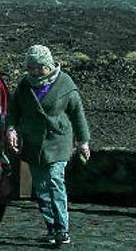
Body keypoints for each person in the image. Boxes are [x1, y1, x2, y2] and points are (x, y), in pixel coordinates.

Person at [6, 45, 90, 247]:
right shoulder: (25, 85)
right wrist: (11, 129)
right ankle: (51, 227)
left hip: (58, 141)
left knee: (55, 182)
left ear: (48, 65)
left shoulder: (65, 84)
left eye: (39, 67)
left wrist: (83, 142)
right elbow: (14, 110)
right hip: (33, 143)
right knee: (41, 187)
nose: (34, 71)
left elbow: (78, 114)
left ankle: (63, 229)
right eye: (31, 67)